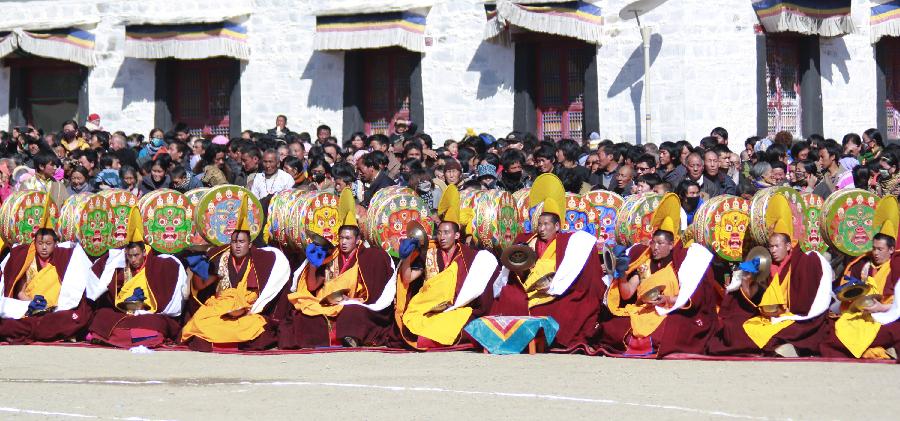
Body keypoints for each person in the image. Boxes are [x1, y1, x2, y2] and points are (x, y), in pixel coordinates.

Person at [708, 193, 833, 357]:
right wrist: (744, 279)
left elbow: (807, 302)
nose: (773, 251)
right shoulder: (766, 262)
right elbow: (743, 275)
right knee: (735, 329)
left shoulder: (804, 261)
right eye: (770, 246)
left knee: (792, 330)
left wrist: (787, 312)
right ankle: (782, 347)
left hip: (791, 317)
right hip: (768, 316)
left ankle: (786, 347)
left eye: (777, 246)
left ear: (788, 246)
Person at [491, 174, 605, 349]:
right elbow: (515, 269)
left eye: (546, 225)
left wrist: (553, 285)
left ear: (557, 226)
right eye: (540, 224)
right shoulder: (528, 241)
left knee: (564, 310)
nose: (542, 229)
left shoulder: (567, 243)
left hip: (551, 292)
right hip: (529, 290)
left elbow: (569, 274)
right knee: (507, 298)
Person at [596, 193, 718, 356]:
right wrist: (622, 275)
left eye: (660, 243)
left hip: (667, 311)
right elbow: (627, 294)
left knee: (671, 329)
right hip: (643, 311)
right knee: (612, 326)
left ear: (671, 244)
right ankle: (640, 343)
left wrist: (666, 300)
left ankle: (647, 344)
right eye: (653, 242)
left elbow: (686, 297)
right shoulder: (645, 265)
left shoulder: (679, 265)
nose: (654, 247)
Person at [278, 189, 398, 348]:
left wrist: (352, 300)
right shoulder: (331, 256)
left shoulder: (367, 258)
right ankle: (328, 338)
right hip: (326, 303)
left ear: (358, 240)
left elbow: (371, 297)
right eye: (341, 238)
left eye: (348, 238)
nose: (343, 242)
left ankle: (350, 337)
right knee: (302, 313)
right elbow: (313, 287)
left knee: (353, 312)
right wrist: (313, 265)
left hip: (351, 304)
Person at [181, 196, 291, 351]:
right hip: (221, 309)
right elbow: (200, 286)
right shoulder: (220, 259)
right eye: (234, 242)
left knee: (255, 325)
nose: (237, 246)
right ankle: (231, 340)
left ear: (250, 244)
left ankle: (221, 340)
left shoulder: (259, 261)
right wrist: (198, 269)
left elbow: (273, 284)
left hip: (247, 312)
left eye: (241, 242)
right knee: (200, 321)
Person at [395, 185, 497, 349]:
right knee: (413, 319)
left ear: (457, 235)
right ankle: (430, 338)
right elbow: (406, 278)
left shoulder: (468, 256)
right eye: (440, 232)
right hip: (429, 307)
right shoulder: (428, 253)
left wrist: (457, 303)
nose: (442, 237)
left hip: (456, 308)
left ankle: (429, 339)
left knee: (462, 319)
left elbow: (477, 287)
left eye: (447, 232)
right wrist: (406, 258)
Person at [87, 207, 188, 348]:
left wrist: (142, 306)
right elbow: (112, 295)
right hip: (125, 311)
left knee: (157, 323)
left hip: (148, 312)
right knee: (103, 315)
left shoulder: (157, 265)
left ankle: (119, 338)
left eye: (136, 255)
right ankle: (134, 338)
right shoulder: (122, 268)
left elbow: (165, 300)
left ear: (144, 253)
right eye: (130, 256)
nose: (133, 260)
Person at [0, 197, 97, 343]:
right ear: (35, 243)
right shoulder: (28, 260)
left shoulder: (64, 260)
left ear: (55, 244)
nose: (44, 247)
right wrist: (31, 304)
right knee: (11, 322)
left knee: (69, 319)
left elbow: (70, 291)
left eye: (48, 243)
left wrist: (49, 307)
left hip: (54, 310)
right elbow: (20, 292)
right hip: (31, 308)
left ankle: (35, 330)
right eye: (40, 243)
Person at [820, 197, 900, 360]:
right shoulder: (863, 264)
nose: (875, 253)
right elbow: (846, 292)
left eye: (880, 249)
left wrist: (882, 308)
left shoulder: (896, 267)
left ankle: (876, 350)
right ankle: (875, 351)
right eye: (874, 248)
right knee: (831, 338)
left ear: (891, 249)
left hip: (887, 316)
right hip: (859, 314)